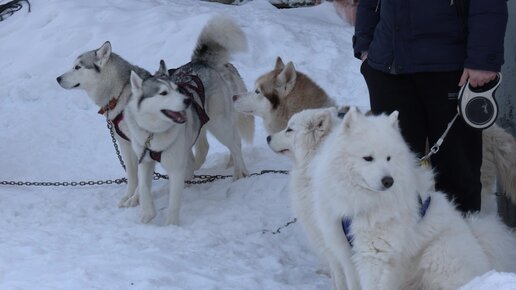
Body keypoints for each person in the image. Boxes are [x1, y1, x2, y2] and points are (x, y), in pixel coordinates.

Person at [352, 0, 508, 213]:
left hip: (450, 70)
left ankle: (460, 242)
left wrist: (483, 59)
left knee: (458, 175)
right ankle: (400, 242)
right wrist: (364, 45)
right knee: (393, 171)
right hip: (389, 69)